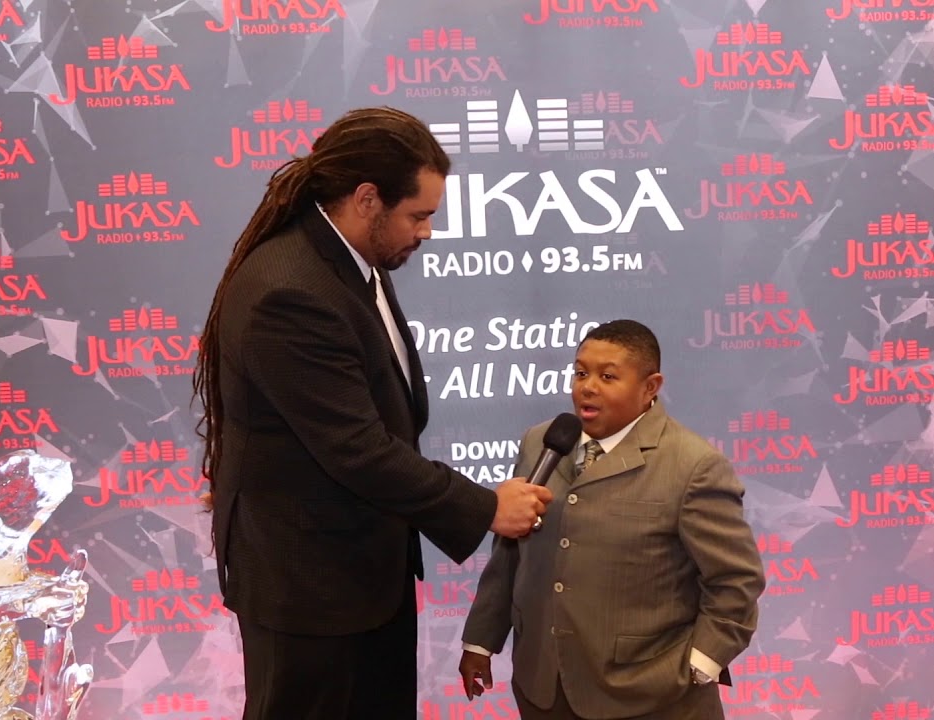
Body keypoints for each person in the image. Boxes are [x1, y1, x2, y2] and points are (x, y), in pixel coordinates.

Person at [192, 107, 554, 720]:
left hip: (361, 575)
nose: (427, 232)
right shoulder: (292, 291)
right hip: (310, 592)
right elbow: (357, 449)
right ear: (367, 200)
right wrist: (486, 507)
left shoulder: (351, 260)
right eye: (418, 215)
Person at [458, 320, 766, 720]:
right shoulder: (541, 442)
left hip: (653, 697)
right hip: (544, 691)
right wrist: (480, 642)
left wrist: (701, 664)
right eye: (581, 373)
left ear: (650, 387)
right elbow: (510, 554)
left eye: (607, 377)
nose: (587, 387)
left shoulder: (693, 466)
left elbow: (736, 581)